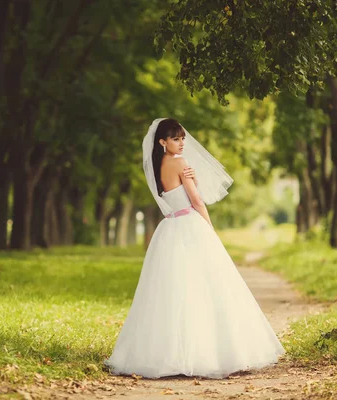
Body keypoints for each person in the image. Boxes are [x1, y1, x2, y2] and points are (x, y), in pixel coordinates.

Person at [104, 118, 285, 379]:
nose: (181, 143)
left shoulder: (157, 165)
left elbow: (174, 196)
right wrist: (210, 230)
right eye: (175, 139)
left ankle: (166, 354)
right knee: (206, 286)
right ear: (162, 142)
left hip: (169, 229)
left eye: (182, 138)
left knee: (171, 291)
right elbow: (197, 201)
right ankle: (211, 353)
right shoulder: (180, 162)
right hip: (190, 224)